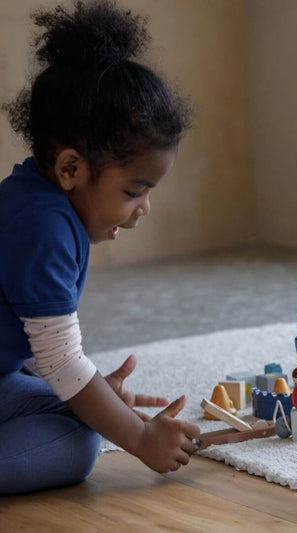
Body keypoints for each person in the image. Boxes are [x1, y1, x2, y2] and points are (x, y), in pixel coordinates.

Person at [0, 0, 200, 494]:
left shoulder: (32, 200)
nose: (144, 208)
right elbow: (64, 365)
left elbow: (35, 352)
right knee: (78, 442)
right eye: (134, 191)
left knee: (82, 410)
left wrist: (91, 397)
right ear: (72, 169)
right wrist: (139, 437)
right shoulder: (45, 227)